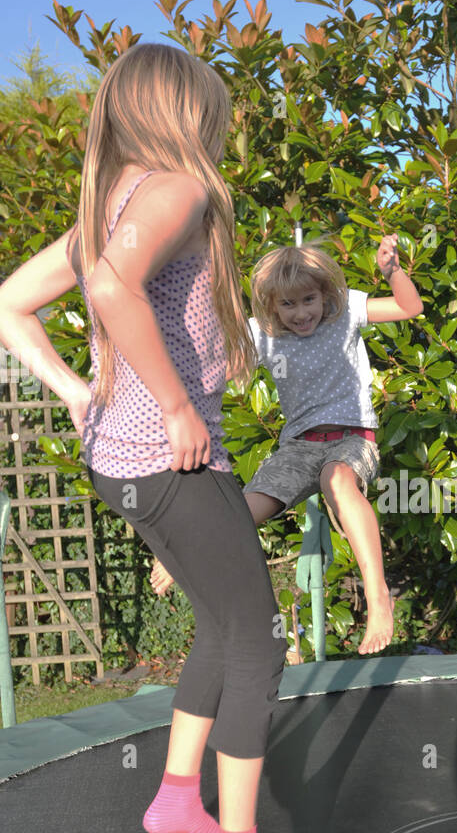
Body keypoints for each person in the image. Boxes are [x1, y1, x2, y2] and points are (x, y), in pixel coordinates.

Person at [0, 42, 301, 833]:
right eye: (212, 108)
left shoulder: (112, 202)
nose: (219, 122)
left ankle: (177, 794)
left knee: (220, 619)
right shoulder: (179, 187)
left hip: (118, 462)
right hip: (169, 458)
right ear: (181, 111)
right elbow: (108, 284)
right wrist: (172, 407)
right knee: (260, 639)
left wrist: (73, 391)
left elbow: (13, 301)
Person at [150, 236, 424, 654]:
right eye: (288, 305)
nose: (301, 314)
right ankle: (177, 550)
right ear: (271, 307)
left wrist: (392, 272)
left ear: (325, 293)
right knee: (236, 513)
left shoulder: (346, 312)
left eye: (308, 300)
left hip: (352, 439)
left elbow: (409, 308)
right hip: (298, 448)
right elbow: (216, 373)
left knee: (337, 479)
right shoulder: (261, 334)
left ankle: (378, 597)